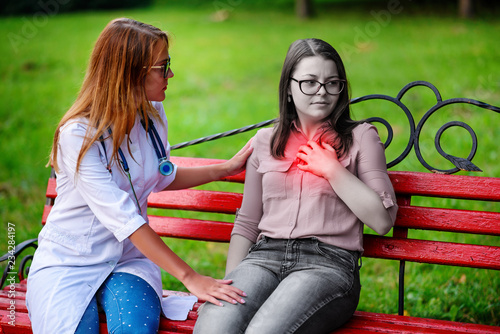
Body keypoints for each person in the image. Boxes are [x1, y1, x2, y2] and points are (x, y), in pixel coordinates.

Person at [26, 18, 250, 334]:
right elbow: (124, 219)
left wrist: (225, 168)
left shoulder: (153, 114)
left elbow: (160, 176)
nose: (170, 74)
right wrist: (191, 277)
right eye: (163, 66)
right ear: (131, 73)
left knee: (135, 328)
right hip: (70, 263)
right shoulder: (77, 136)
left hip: (129, 261)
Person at [193, 38, 398, 334]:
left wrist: (332, 170)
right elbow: (248, 223)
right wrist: (230, 284)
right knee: (215, 328)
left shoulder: (361, 136)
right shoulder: (266, 141)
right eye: (310, 82)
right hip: (263, 259)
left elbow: (382, 221)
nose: (322, 92)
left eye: (332, 83)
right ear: (289, 88)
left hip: (328, 265)